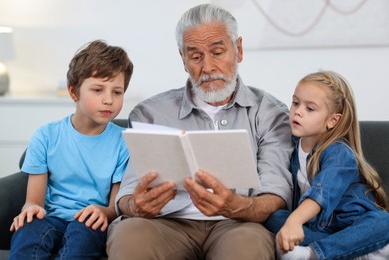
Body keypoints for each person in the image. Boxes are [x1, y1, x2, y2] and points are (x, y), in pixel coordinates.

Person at [106, 4, 293, 260]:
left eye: (217, 52)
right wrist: (135, 206)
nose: (207, 67)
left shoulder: (271, 112)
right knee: (130, 236)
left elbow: (277, 190)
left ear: (238, 50)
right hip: (165, 223)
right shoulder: (150, 112)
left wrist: (242, 206)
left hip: (238, 223)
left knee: (248, 245)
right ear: (183, 60)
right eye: (195, 57)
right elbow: (128, 192)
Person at [9, 40, 134, 259]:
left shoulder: (124, 142)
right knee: (28, 230)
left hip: (91, 221)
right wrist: (30, 209)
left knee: (82, 237)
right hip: (50, 219)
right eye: (97, 90)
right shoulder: (46, 136)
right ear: (73, 92)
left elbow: (115, 205)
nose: (108, 100)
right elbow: (34, 201)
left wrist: (103, 212)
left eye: (117, 92)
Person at [265, 70, 389, 259]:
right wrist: (291, 222)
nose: (297, 111)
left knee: (383, 221)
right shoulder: (292, 144)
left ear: (333, 120)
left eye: (310, 108)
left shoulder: (339, 153)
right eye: (295, 103)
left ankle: (315, 254)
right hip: (322, 230)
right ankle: (352, 250)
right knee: (275, 217)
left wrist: (295, 221)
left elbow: (322, 194)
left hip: (352, 224)